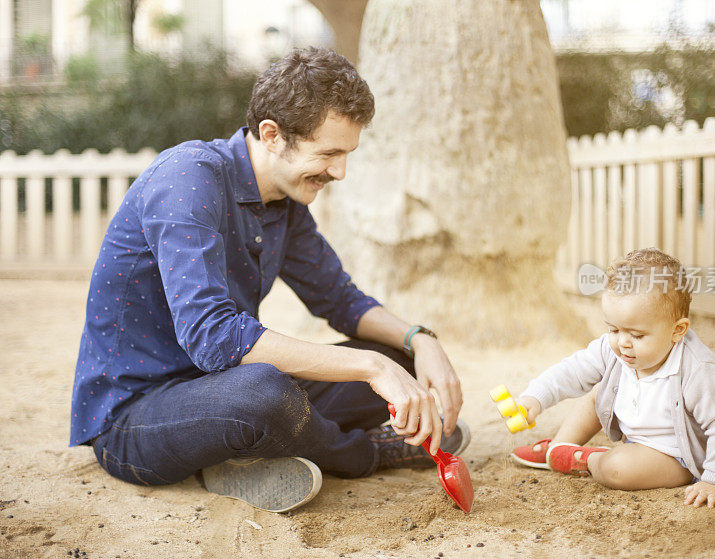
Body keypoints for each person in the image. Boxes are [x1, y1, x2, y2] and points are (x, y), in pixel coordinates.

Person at [69, 47, 469, 513]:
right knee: (268, 391)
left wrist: (420, 341)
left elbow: (340, 300)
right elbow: (214, 338)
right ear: (272, 135)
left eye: (347, 154)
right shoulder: (187, 177)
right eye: (329, 153)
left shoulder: (285, 199)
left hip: (222, 388)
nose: (339, 172)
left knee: (393, 355)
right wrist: (372, 370)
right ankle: (362, 453)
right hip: (134, 419)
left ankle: (249, 452)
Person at [510, 248, 715, 508]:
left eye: (637, 335)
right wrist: (535, 398)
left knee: (617, 469)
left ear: (678, 330)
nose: (623, 343)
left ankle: (588, 459)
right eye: (613, 329)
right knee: (597, 394)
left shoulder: (698, 369)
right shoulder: (614, 348)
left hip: (673, 457)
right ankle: (560, 447)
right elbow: (571, 371)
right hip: (632, 440)